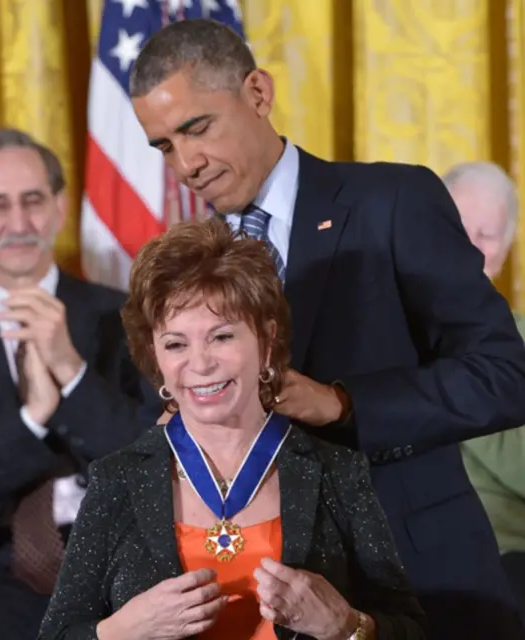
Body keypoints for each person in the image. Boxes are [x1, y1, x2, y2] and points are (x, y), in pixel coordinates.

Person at [126, 18, 525, 639]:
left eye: (196, 128)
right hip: (256, 596)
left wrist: (342, 403)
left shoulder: (391, 202)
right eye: (164, 147)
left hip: (418, 578)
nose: (187, 164)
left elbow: (505, 375)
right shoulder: (183, 265)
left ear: (258, 93)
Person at [40, 217, 427, 640]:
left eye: (221, 337)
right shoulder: (116, 480)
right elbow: (58, 633)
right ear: (156, 357)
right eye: (176, 344)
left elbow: (409, 629)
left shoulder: (338, 472)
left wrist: (346, 626)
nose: (201, 363)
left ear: (266, 339)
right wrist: (121, 631)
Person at [0, 128, 160, 640]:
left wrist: (71, 371)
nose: (18, 223)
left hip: (120, 558)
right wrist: (32, 419)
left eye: (33, 201)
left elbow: (153, 457)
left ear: (59, 208)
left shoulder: (126, 317)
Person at [443, 160, 525, 622]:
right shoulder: (385, 331)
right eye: (458, 227)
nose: (470, 248)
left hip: (505, 554)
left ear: (506, 248)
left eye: (487, 235)